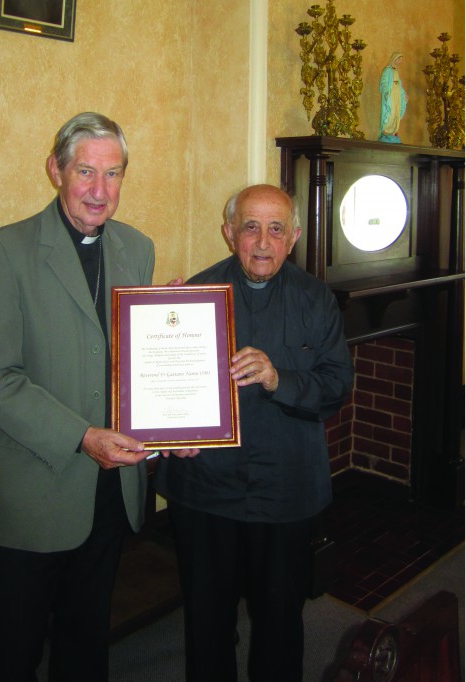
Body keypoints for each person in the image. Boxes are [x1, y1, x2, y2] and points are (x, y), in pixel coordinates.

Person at [0, 111, 197, 682]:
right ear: (56, 170)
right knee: (12, 652)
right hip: (32, 491)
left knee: (86, 642)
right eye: (86, 172)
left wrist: (169, 351)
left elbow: (125, 363)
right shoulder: (3, 251)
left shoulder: (136, 248)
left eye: (114, 174)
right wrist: (82, 436)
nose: (101, 191)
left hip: (109, 491)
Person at [154, 184, 355, 681]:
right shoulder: (195, 295)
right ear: (229, 233)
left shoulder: (316, 299)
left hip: (285, 493)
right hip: (206, 491)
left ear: (294, 237)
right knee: (207, 621)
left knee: (281, 621)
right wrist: (162, 326)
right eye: (249, 227)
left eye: (276, 228)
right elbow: (161, 387)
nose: (262, 242)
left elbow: (336, 386)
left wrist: (278, 378)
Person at [379, 52, 407, 143]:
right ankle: (386, 132)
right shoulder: (387, 71)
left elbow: (399, 86)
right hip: (391, 96)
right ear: (394, 59)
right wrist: (386, 92)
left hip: (397, 98)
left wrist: (404, 96)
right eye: (398, 59)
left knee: (396, 114)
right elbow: (383, 82)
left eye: (400, 60)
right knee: (389, 113)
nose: (399, 61)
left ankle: (393, 132)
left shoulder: (396, 72)